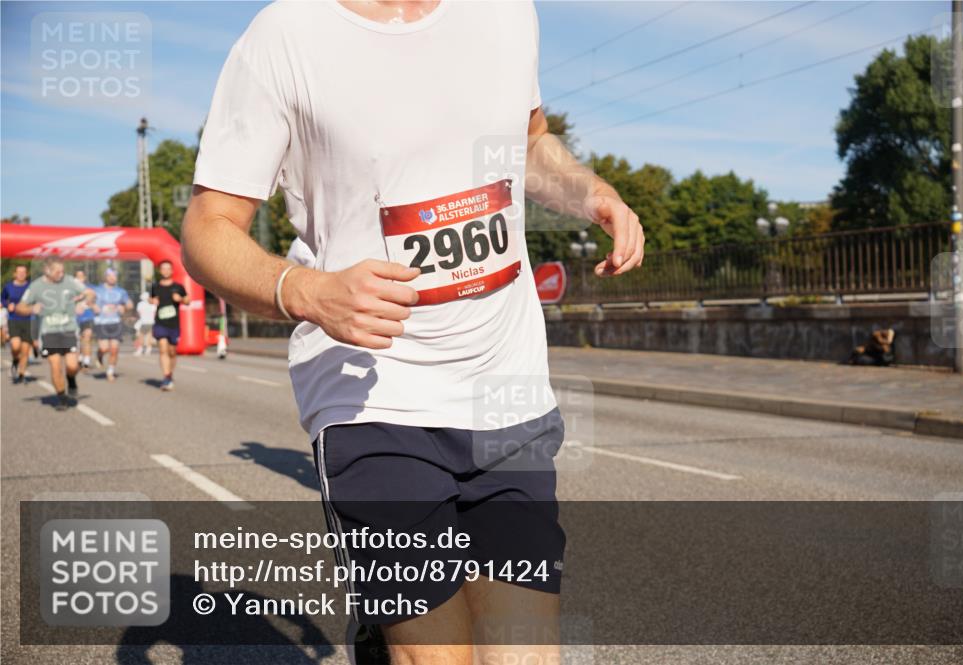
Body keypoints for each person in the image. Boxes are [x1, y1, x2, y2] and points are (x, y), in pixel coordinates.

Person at [180, 1, 643, 663]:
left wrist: (590, 191)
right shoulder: (285, 35)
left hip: (504, 384)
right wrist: (307, 290)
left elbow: (530, 141)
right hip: (372, 395)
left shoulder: (508, 13)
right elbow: (207, 227)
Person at [17, 256, 95, 410]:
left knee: (72, 366)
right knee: (55, 366)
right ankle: (61, 396)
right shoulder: (36, 286)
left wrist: (84, 303)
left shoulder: (70, 281)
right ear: (47, 270)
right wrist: (32, 309)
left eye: (63, 271)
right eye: (58, 272)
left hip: (69, 330)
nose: (61, 274)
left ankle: (71, 379)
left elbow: (90, 293)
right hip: (48, 332)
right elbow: (20, 307)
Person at [149, 260, 188, 391]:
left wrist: (181, 299)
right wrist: (152, 300)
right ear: (160, 271)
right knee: (163, 349)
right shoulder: (155, 287)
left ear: (172, 271)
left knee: (172, 352)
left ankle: (170, 374)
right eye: (163, 269)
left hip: (174, 324)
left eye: (168, 269)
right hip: (160, 323)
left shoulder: (178, 287)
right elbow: (150, 298)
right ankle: (166, 377)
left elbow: (188, 300)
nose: (166, 271)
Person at [93, 268, 133, 382]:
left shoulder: (121, 291)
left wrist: (124, 307)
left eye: (114, 276)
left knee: (114, 349)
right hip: (101, 322)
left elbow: (129, 304)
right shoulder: (97, 290)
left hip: (116, 322)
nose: (112, 278)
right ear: (105, 277)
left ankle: (110, 371)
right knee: (104, 348)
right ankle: (99, 355)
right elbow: (88, 300)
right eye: (110, 276)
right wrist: (93, 306)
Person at [2, 264, 33, 383]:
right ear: (14, 274)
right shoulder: (8, 286)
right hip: (14, 319)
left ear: (26, 274)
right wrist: (6, 305)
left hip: (29, 320)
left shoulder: (31, 287)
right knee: (15, 346)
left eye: (24, 272)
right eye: (19, 272)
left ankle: (21, 374)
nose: (21, 274)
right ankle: (15, 360)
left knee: (25, 350)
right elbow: (2, 299)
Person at [73, 269, 97, 369]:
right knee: (78, 339)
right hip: (74, 317)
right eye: (78, 276)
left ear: (85, 278)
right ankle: (80, 357)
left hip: (87, 316)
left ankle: (86, 360)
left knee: (87, 336)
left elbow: (93, 296)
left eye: (81, 276)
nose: (80, 278)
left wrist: (86, 297)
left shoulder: (90, 288)